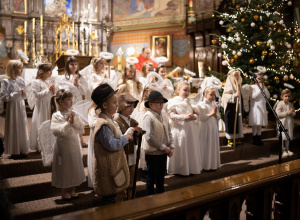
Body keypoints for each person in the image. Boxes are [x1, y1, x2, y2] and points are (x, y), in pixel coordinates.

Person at [91, 84, 139, 205]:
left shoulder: (109, 119)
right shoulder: (103, 123)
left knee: (113, 195)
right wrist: (125, 139)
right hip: (107, 168)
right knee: (109, 199)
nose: (117, 105)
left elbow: (116, 136)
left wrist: (128, 133)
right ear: (105, 105)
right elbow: (111, 145)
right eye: (114, 103)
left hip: (113, 165)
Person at [50, 89, 86, 201]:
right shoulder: (56, 115)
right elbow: (55, 131)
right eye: (68, 99)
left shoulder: (74, 113)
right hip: (63, 146)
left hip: (73, 144)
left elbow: (81, 129)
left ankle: (72, 189)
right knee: (64, 167)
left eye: (72, 99)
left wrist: (74, 122)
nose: (71, 102)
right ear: (61, 102)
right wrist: (67, 123)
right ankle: (64, 190)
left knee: (73, 165)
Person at [142, 91, 174, 195]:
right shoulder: (148, 116)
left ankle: (161, 197)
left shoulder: (163, 115)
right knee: (151, 177)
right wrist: (164, 147)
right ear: (150, 104)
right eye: (158, 102)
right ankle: (150, 199)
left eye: (162, 102)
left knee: (161, 177)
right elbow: (149, 136)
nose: (161, 105)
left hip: (163, 152)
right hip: (153, 152)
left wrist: (171, 146)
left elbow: (168, 130)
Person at [167, 81, 200, 176]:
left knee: (190, 148)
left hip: (190, 129)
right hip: (179, 129)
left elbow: (196, 114)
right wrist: (184, 117)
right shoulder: (173, 102)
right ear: (178, 90)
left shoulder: (190, 101)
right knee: (180, 147)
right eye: (184, 90)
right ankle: (179, 169)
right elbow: (171, 115)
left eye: (188, 91)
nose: (187, 92)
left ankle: (190, 168)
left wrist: (194, 117)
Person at [56, 56, 88, 147]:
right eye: (71, 64)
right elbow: (62, 89)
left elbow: (84, 90)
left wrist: (77, 85)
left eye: (75, 64)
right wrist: (72, 85)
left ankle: (81, 140)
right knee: (70, 118)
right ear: (67, 66)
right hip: (69, 101)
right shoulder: (64, 77)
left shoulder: (81, 77)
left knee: (79, 119)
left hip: (78, 100)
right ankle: (71, 140)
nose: (74, 66)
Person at [0, 60, 30, 158]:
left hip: (20, 105)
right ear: (12, 69)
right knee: (14, 125)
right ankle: (14, 150)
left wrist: (24, 93)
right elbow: (4, 97)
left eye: (21, 68)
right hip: (12, 106)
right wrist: (17, 93)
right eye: (19, 68)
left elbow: (26, 94)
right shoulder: (6, 81)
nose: (21, 70)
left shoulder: (21, 80)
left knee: (22, 125)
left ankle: (22, 148)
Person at [114, 93, 141, 200]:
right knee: (121, 182)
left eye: (133, 106)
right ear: (121, 106)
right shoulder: (116, 121)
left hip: (132, 154)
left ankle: (131, 201)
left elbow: (136, 139)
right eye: (128, 106)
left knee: (132, 181)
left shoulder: (133, 121)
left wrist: (138, 134)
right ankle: (121, 205)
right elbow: (118, 137)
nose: (132, 109)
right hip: (122, 156)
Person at [29, 62, 55, 151]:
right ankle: (41, 146)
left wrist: (53, 91)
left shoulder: (48, 81)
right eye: (49, 71)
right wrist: (48, 89)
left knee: (49, 124)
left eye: (51, 71)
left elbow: (51, 95)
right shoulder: (36, 82)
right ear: (42, 71)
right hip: (41, 106)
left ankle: (48, 144)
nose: (51, 73)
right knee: (41, 123)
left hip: (48, 105)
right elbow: (37, 95)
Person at [196, 87, 221, 171]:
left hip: (213, 127)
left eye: (214, 94)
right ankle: (204, 165)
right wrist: (212, 113)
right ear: (205, 94)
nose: (213, 96)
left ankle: (212, 164)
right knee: (204, 144)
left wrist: (215, 115)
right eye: (211, 94)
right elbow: (202, 118)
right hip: (205, 127)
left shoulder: (214, 104)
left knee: (212, 144)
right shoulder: (201, 105)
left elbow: (218, 118)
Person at [221, 69, 244, 147]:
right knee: (231, 121)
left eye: (238, 75)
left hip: (237, 106)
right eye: (235, 75)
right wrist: (233, 96)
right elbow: (225, 96)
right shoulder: (229, 84)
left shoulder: (239, 84)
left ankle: (236, 138)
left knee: (237, 121)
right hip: (230, 107)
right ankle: (230, 138)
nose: (237, 77)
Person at [248, 72, 270, 146]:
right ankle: (254, 138)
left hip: (262, 106)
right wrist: (260, 89)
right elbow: (253, 96)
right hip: (255, 107)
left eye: (261, 78)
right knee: (255, 123)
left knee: (260, 122)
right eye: (258, 78)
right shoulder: (252, 87)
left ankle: (259, 137)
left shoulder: (264, 86)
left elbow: (268, 96)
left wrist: (263, 89)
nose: (260, 80)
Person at [275, 89, 296, 157]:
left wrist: (292, 113)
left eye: (289, 96)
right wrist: (287, 112)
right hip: (283, 124)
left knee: (288, 136)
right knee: (283, 137)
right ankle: (283, 150)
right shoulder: (280, 104)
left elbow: (294, 113)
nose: (287, 98)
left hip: (289, 123)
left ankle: (287, 149)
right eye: (286, 96)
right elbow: (278, 114)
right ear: (282, 97)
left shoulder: (290, 104)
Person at [87, 102, 100, 188]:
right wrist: (102, 119)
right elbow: (91, 124)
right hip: (95, 135)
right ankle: (95, 182)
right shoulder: (93, 110)